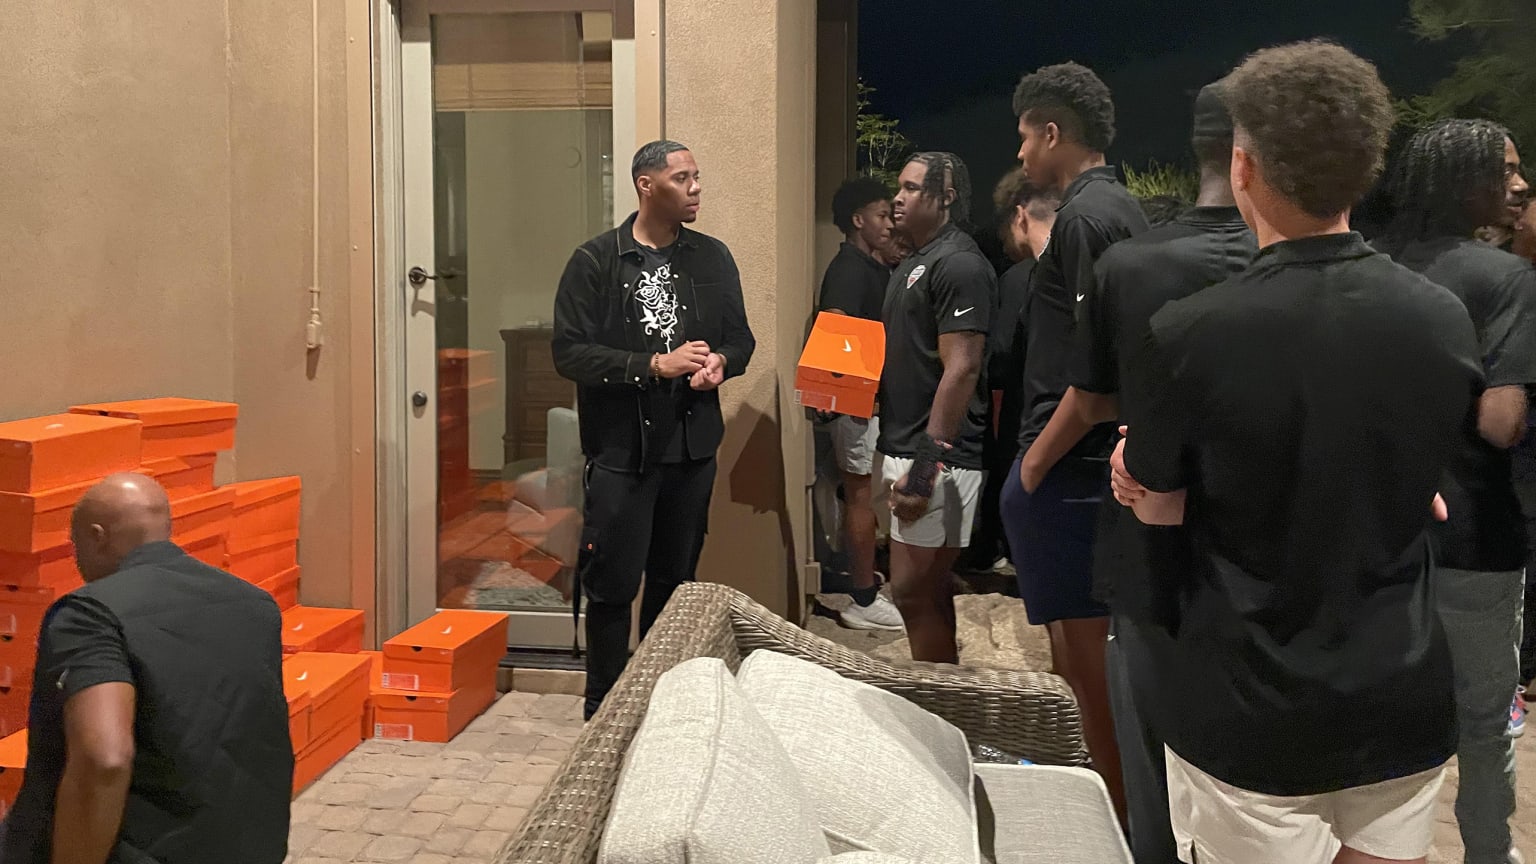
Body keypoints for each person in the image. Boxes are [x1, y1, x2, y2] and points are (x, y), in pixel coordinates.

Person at [1111, 41, 1480, 864]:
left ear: (1243, 166)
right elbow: (1424, 481)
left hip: (1250, 704)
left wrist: (1134, 476)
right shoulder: (1442, 319)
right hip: (1400, 691)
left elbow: (1161, 500)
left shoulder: (1187, 335)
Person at [1073, 80, 1257, 864]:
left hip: (1149, 554)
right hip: (1271, 559)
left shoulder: (1129, 265)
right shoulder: (1300, 271)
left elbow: (1097, 394)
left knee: (1153, 792)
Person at [1374, 118, 1535, 864]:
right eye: (1503, 171)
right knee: (1483, 722)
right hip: (1476, 539)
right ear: (1461, 180)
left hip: (1376, 536)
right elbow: (1500, 424)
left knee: (1380, 715)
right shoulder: (1504, 279)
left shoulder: (1373, 265)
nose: (1520, 184)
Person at [552, 140, 756, 720]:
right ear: (646, 185)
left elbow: (740, 340)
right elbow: (569, 354)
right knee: (613, 586)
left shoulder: (712, 258)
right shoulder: (595, 261)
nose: (696, 188)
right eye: (682, 177)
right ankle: (605, 709)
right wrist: (650, 365)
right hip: (622, 450)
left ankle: (661, 707)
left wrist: (721, 362)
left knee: (675, 582)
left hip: (691, 449)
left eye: (697, 177)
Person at [0, 474, 291, 864]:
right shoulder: (255, 604)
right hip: (245, 844)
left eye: (75, 546)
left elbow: (104, 759)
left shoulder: (90, 614)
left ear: (97, 536)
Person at [1001, 60, 1149, 818]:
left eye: (1026, 138)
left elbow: (1099, 380)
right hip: (1078, 471)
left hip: (1074, 474)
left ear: (1053, 133)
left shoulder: (1089, 218)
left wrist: (1031, 466)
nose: (1022, 155)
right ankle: (1104, 814)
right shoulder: (1115, 209)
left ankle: (1120, 830)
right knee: (1081, 665)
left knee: (1093, 675)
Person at [879, 151, 995, 663]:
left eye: (910, 188)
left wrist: (926, 467)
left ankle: (935, 709)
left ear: (945, 197)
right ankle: (945, 695)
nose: (897, 198)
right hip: (905, 442)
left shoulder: (961, 263)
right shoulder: (915, 261)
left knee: (909, 590)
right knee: (927, 590)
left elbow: (963, 367)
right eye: (897, 187)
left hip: (940, 456)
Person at [816, 176, 902, 631]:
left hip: (863, 403)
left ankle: (852, 571)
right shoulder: (849, 268)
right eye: (882, 215)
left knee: (851, 491)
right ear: (858, 220)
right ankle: (862, 600)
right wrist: (849, 398)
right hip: (857, 405)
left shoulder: (870, 266)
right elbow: (834, 325)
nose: (889, 223)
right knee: (861, 496)